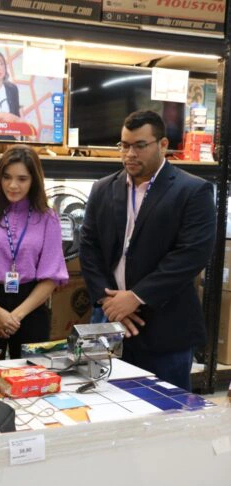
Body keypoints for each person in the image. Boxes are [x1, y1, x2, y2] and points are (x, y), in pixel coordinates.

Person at [79, 110, 215, 391]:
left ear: (163, 144)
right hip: (109, 321)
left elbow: (192, 254)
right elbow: (89, 248)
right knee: (105, 406)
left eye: (140, 145)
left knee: (167, 415)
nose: (130, 154)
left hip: (165, 327)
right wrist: (110, 303)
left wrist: (136, 297)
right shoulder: (103, 188)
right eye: (124, 145)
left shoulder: (193, 190)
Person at [0, 145, 68, 359]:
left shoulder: (48, 218)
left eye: (22, 179)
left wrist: (13, 317)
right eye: (7, 177)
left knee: (30, 379)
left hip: (31, 307)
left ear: (34, 180)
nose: (13, 185)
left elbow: (51, 276)